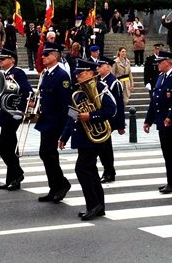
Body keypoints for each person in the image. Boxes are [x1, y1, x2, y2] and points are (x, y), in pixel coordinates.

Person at [59, 58, 115, 220]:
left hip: (96, 138)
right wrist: (64, 136)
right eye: (77, 74)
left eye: (80, 74)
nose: (77, 77)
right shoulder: (77, 92)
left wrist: (91, 115)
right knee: (90, 170)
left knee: (82, 169)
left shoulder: (101, 88)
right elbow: (72, 114)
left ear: (91, 73)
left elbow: (111, 110)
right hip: (83, 137)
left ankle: (93, 205)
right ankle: (99, 206)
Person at [34, 44, 73, 204]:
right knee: (46, 154)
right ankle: (55, 187)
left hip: (56, 121)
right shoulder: (47, 74)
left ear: (55, 56)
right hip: (46, 119)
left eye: (46, 54)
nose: (43, 57)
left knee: (48, 153)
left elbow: (65, 103)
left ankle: (61, 185)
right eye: (43, 55)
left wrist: (65, 130)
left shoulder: (61, 75)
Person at [143, 49, 172, 194]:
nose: (157, 64)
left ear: (168, 62)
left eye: (160, 62)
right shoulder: (161, 77)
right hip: (161, 121)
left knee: (171, 152)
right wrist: (148, 120)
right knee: (167, 152)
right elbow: (155, 101)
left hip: (171, 122)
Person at [0, 47, 31, 190]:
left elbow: (26, 90)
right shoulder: (2, 74)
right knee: (10, 146)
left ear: (12, 60)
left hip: (13, 114)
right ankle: (12, 178)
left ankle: (18, 173)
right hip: (5, 113)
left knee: (2, 146)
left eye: (3, 59)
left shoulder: (17, 73)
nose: (0, 61)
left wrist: (20, 109)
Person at [97, 56, 125, 184]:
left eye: (100, 66)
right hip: (100, 118)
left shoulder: (114, 82)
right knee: (102, 147)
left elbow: (119, 104)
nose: (98, 68)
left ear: (108, 67)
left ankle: (109, 172)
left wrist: (120, 124)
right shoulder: (98, 81)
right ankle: (107, 170)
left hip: (110, 119)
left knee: (106, 147)